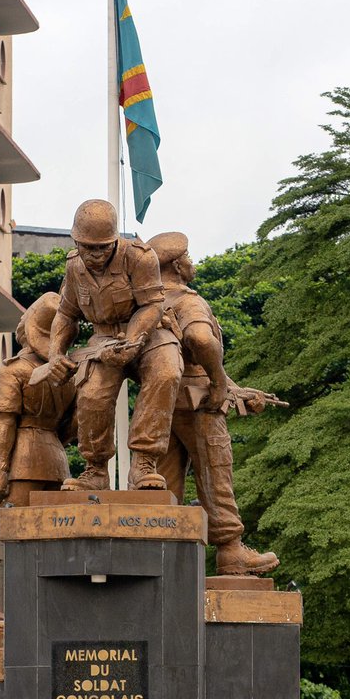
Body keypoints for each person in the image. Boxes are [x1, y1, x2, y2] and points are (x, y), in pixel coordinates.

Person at [147, 230, 280, 575]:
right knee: (216, 472)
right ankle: (231, 551)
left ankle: (162, 558)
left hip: (160, 405)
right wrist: (219, 384)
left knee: (162, 484)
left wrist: (236, 389)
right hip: (199, 404)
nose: (192, 262)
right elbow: (200, 339)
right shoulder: (188, 301)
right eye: (188, 256)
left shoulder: (148, 304)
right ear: (177, 264)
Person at [46, 198, 182, 491]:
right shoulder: (73, 266)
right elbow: (66, 314)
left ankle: (144, 462)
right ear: (76, 241)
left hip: (148, 330)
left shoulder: (139, 257)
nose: (94, 255)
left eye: (102, 247)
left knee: (166, 372)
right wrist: (55, 354)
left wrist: (134, 340)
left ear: (114, 240)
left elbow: (151, 306)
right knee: (92, 394)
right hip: (104, 337)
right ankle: (95, 470)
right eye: (87, 247)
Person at [0, 292, 76, 509]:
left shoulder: (13, 370)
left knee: (17, 527)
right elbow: (74, 425)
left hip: (21, 462)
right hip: (58, 462)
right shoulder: (69, 375)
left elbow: (5, 422)